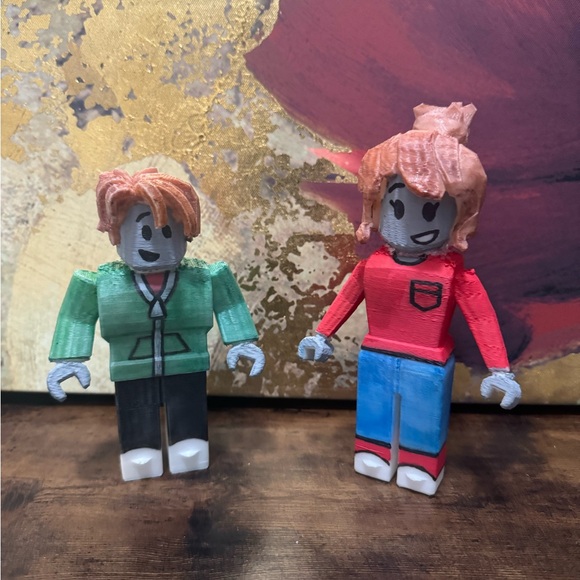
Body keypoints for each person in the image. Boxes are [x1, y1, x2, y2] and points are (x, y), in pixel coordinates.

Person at [298, 103, 521, 496]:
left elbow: (482, 319)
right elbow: (345, 300)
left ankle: (421, 464)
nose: (410, 220)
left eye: (431, 209)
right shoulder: (371, 266)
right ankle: (374, 453)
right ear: (375, 205)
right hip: (377, 355)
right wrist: (321, 335)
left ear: (460, 215)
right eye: (396, 205)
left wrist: (500, 369)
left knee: (422, 417)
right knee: (375, 411)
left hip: (428, 363)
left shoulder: (453, 274)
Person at [48, 168, 265, 481]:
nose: (155, 244)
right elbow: (75, 316)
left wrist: (242, 341)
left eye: (167, 232)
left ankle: (189, 444)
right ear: (116, 232)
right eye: (144, 233)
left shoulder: (204, 278)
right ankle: (139, 449)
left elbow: (229, 304)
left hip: (187, 360)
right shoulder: (101, 284)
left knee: (188, 405)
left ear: (185, 231)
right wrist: (69, 358)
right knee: (136, 408)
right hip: (131, 364)